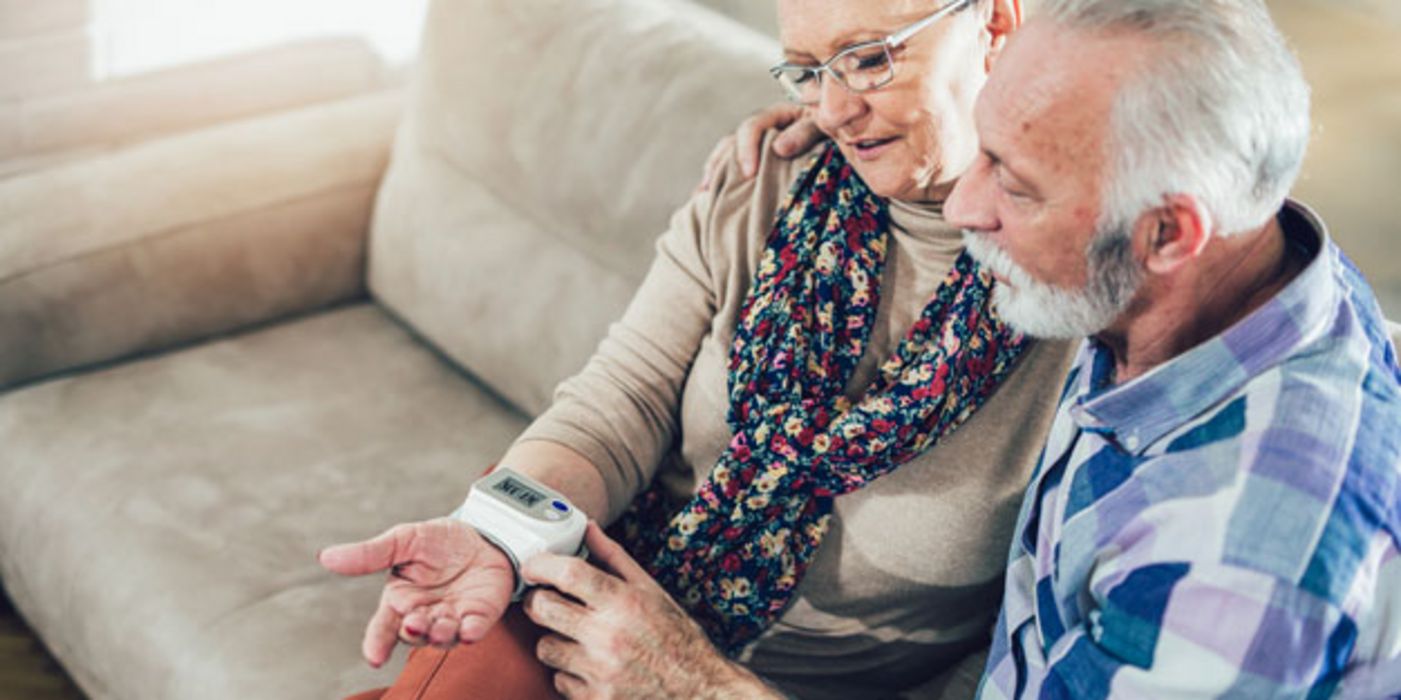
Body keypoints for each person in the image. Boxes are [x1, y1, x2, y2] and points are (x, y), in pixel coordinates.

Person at [319, 0, 1085, 698]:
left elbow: (1012, 660)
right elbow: (621, 398)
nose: (834, 110)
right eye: (809, 71)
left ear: (996, 21)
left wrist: (698, 687)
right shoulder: (771, 176)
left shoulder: (1085, 300)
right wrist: (498, 533)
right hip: (584, 629)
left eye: (869, 55)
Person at [936, 0, 1401, 696]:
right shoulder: (1241, 271)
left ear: (1167, 235)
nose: (961, 207)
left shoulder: (1239, 551)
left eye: (1011, 181)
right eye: (983, 149)